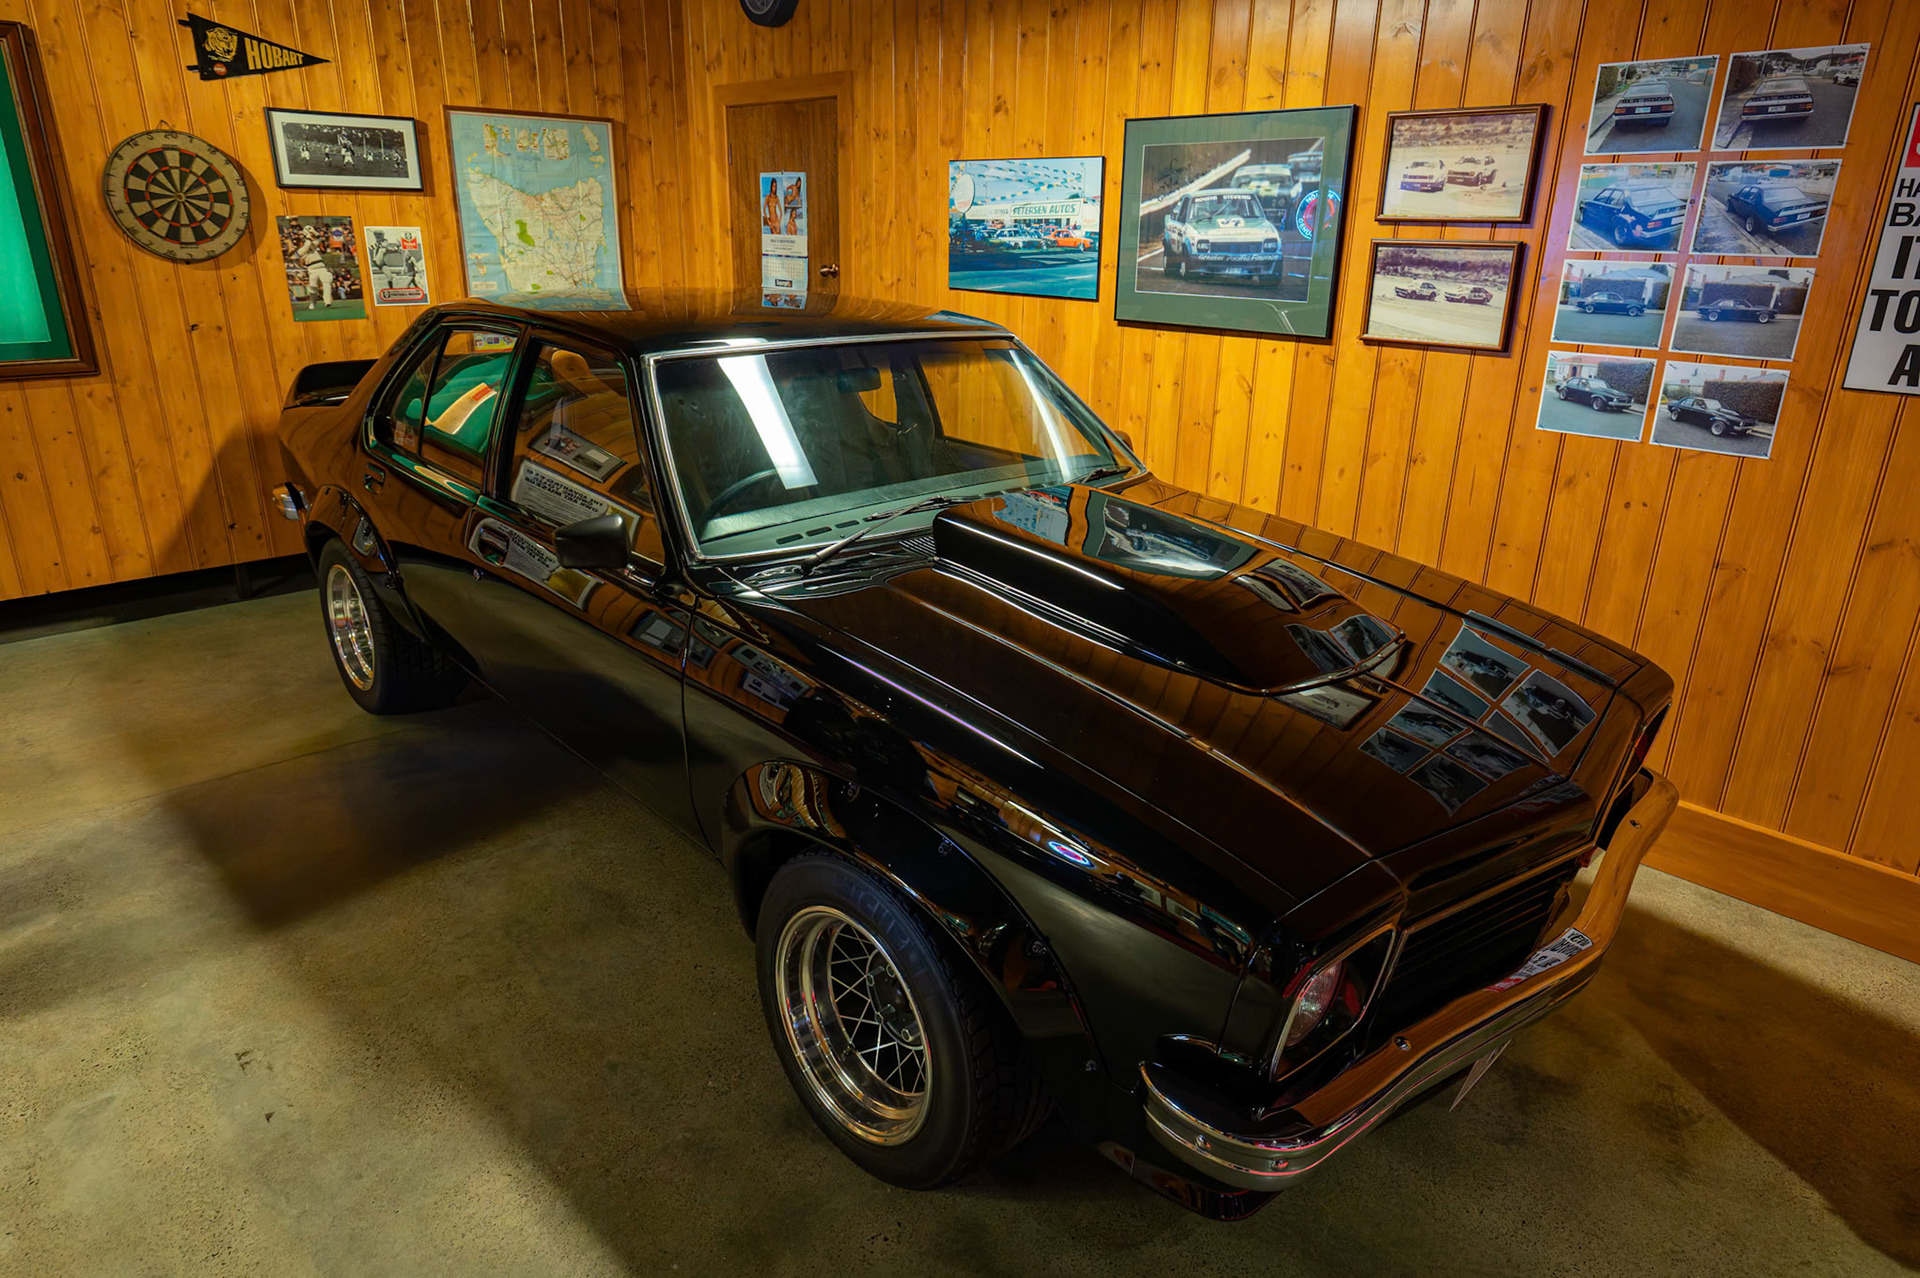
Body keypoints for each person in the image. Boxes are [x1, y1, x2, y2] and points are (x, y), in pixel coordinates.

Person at [297, 228, 334, 309]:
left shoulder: (311, 245)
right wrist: (307, 235)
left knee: (327, 280)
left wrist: (313, 232)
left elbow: (318, 240)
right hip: (312, 270)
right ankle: (313, 303)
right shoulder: (300, 251)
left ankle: (327, 301)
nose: (301, 242)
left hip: (321, 267)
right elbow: (307, 245)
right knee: (313, 288)